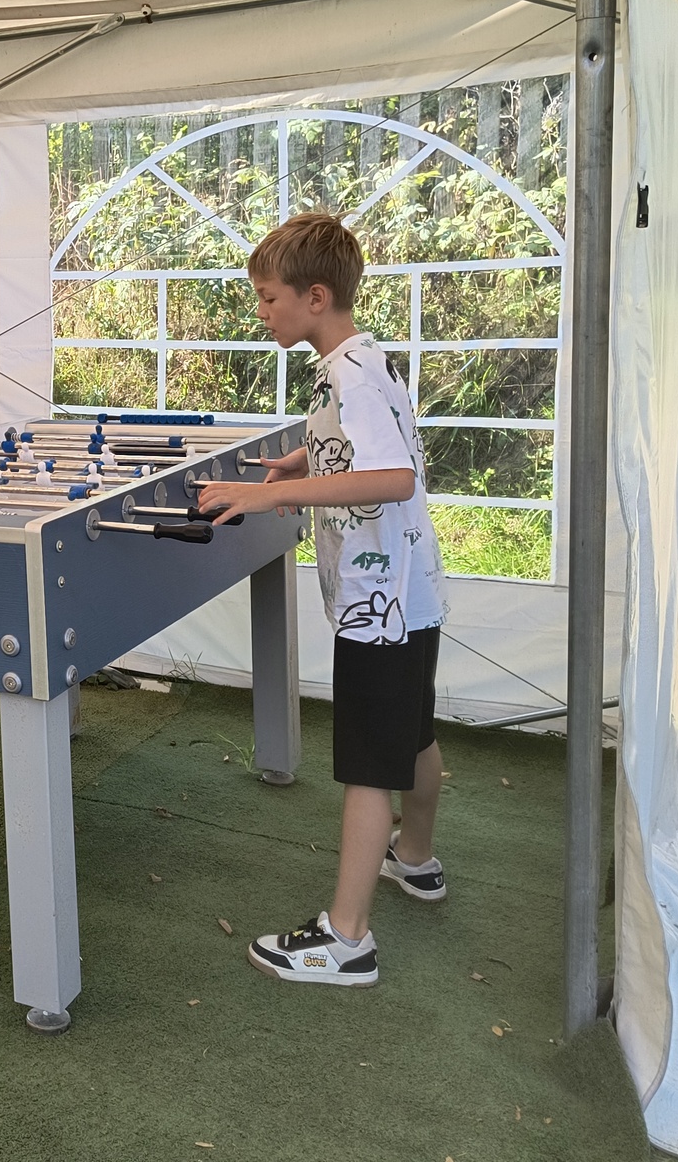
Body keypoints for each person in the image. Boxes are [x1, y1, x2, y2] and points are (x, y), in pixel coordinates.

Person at [194, 213, 450, 989]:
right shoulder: (364, 359)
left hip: (379, 601)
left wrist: (271, 495)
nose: (261, 312)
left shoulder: (349, 373)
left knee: (369, 765)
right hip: (411, 591)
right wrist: (300, 459)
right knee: (412, 731)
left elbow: (393, 477)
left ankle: (347, 939)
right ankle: (415, 858)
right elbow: (369, 440)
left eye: (268, 298)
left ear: (314, 297)